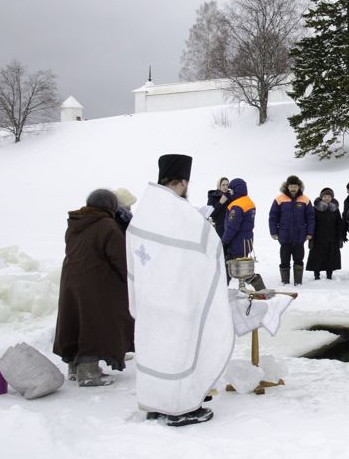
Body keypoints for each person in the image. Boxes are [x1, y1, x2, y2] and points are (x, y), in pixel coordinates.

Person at [126, 154, 233, 427]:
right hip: (177, 301)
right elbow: (210, 250)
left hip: (150, 300)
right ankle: (180, 408)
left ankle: (153, 402)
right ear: (183, 182)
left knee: (154, 352)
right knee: (177, 354)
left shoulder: (144, 213)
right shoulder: (182, 214)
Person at [53, 188, 135, 387]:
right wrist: (131, 280)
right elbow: (121, 260)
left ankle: (74, 367)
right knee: (96, 324)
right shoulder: (107, 225)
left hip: (71, 281)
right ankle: (88, 372)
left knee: (76, 321)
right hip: (96, 284)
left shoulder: (76, 222)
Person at [269, 175, 315, 286]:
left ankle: (298, 281)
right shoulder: (279, 199)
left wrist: (310, 232)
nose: (293, 188)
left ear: (299, 187)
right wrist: (273, 231)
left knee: (299, 259)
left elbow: (311, 217)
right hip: (284, 235)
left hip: (300, 236)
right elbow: (273, 216)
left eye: (295, 186)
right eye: (291, 186)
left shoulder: (305, 199)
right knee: (284, 259)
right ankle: (285, 281)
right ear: (287, 186)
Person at [307, 187, 345, 280]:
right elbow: (312, 223)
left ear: (332, 198)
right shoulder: (315, 209)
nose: (327, 198)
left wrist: (341, 238)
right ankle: (316, 275)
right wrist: (311, 238)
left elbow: (339, 223)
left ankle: (329, 275)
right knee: (317, 257)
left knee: (331, 257)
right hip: (318, 238)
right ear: (321, 197)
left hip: (332, 239)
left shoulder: (335, 209)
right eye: (325, 196)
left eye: (329, 196)